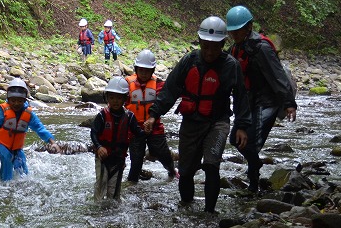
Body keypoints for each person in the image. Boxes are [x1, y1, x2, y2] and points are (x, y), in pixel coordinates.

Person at [143, 16, 251, 213]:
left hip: (218, 123)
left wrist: (242, 126)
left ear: (223, 44)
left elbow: (241, 98)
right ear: (200, 42)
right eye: (205, 46)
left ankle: (209, 213)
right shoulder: (189, 61)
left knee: (211, 165)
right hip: (191, 122)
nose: (209, 52)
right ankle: (186, 208)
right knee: (185, 172)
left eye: (215, 47)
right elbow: (170, 90)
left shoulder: (231, 66)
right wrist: (153, 115)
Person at [225, 5, 297, 193]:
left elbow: (278, 75)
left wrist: (289, 103)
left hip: (268, 102)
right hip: (249, 101)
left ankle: (254, 184)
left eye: (237, 30)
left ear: (248, 27)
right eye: (232, 31)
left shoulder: (261, 47)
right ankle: (255, 174)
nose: (234, 34)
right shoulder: (235, 48)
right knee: (236, 139)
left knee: (249, 143)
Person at [0, 78, 59, 180]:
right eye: (13, 100)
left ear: (25, 100)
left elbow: (40, 128)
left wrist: (52, 142)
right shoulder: (2, 111)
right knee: (7, 158)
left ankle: (21, 185)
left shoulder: (29, 114)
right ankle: (5, 185)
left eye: (19, 101)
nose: (16, 103)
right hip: (0, 143)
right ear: (8, 98)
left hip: (16, 147)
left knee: (21, 165)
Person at [125, 49, 177, 183]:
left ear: (152, 70)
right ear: (136, 69)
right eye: (141, 70)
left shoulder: (159, 84)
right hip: (135, 128)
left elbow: (164, 101)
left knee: (162, 153)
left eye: (147, 70)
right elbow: (120, 103)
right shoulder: (127, 84)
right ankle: (132, 182)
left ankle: (172, 171)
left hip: (155, 126)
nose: (143, 73)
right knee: (136, 158)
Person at [91, 77, 145, 201]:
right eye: (112, 97)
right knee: (101, 184)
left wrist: (145, 132)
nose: (115, 101)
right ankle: (97, 209)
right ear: (107, 98)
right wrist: (99, 147)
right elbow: (94, 133)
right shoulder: (102, 115)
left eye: (119, 98)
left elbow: (137, 132)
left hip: (118, 159)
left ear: (125, 99)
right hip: (103, 157)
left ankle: (113, 212)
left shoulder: (129, 116)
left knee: (114, 191)